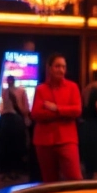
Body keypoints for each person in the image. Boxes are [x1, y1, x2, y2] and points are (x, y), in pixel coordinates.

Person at [30, 53, 83, 182]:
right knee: (49, 181)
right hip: (44, 141)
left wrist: (56, 108)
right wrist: (64, 113)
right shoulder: (41, 89)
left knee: (75, 178)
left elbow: (77, 110)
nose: (61, 70)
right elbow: (36, 113)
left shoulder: (72, 87)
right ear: (49, 68)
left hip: (67, 139)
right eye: (57, 66)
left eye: (63, 67)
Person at [0, 76, 30, 181]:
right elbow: (25, 109)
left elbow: (25, 109)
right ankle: (11, 171)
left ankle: (12, 171)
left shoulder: (18, 91)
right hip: (11, 120)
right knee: (10, 146)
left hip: (11, 120)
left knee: (11, 146)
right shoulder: (6, 92)